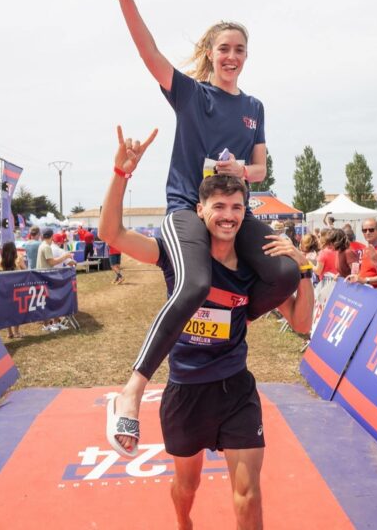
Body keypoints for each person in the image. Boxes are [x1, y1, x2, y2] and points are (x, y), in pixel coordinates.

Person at [104, 0, 300, 428]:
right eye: (224, 48)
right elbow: (149, 52)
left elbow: (260, 169)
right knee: (194, 285)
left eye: (240, 50)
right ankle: (132, 391)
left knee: (284, 273)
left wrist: (240, 170)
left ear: (246, 57)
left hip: (234, 208)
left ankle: (235, 321)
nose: (232, 57)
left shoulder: (254, 107)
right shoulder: (192, 94)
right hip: (188, 209)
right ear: (210, 52)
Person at [100, 127, 313, 529]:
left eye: (236, 207)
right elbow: (111, 234)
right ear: (200, 211)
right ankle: (184, 523)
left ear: (245, 213)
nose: (228, 216)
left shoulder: (254, 272)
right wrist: (121, 174)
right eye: (219, 206)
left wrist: (302, 268)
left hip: (236, 390)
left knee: (248, 493)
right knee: (187, 486)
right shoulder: (177, 258)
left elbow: (302, 323)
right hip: (186, 391)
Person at [37, 228, 75, 332]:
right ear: (51, 236)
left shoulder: (43, 245)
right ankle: (48, 325)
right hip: (47, 276)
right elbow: (52, 263)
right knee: (49, 301)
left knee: (50, 301)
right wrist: (65, 256)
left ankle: (54, 323)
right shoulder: (46, 247)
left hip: (45, 276)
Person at [346, 218, 377, 289]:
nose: (367, 233)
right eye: (364, 230)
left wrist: (366, 280)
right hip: (367, 290)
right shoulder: (367, 248)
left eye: (371, 230)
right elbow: (365, 271)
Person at [0, 241, 27, 338]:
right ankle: (16, 332)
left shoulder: (1, 260)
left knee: (7, 309)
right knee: (17, 310)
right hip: (17, 288)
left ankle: (9, 332)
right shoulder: (18, 258)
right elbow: (25, 269)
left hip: (5, 287)